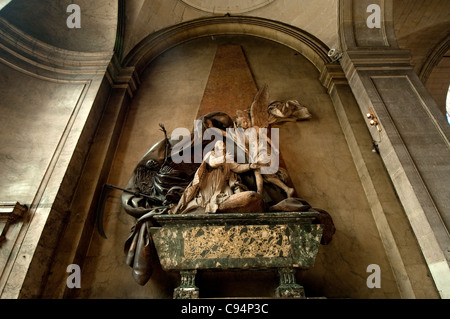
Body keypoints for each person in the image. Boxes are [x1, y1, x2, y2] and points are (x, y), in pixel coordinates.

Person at [169, 140, 265, 215]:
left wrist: (250, 166)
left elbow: (237, 167)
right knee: (203, 202)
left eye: (224, 149)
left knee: (230, 198)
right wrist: (223, 157)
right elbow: (213, 163)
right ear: (215, 148)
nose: (223, 150)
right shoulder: (211, 155)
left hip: (222, 186)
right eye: (221, 148)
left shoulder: (226, 159)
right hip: (209, 185)